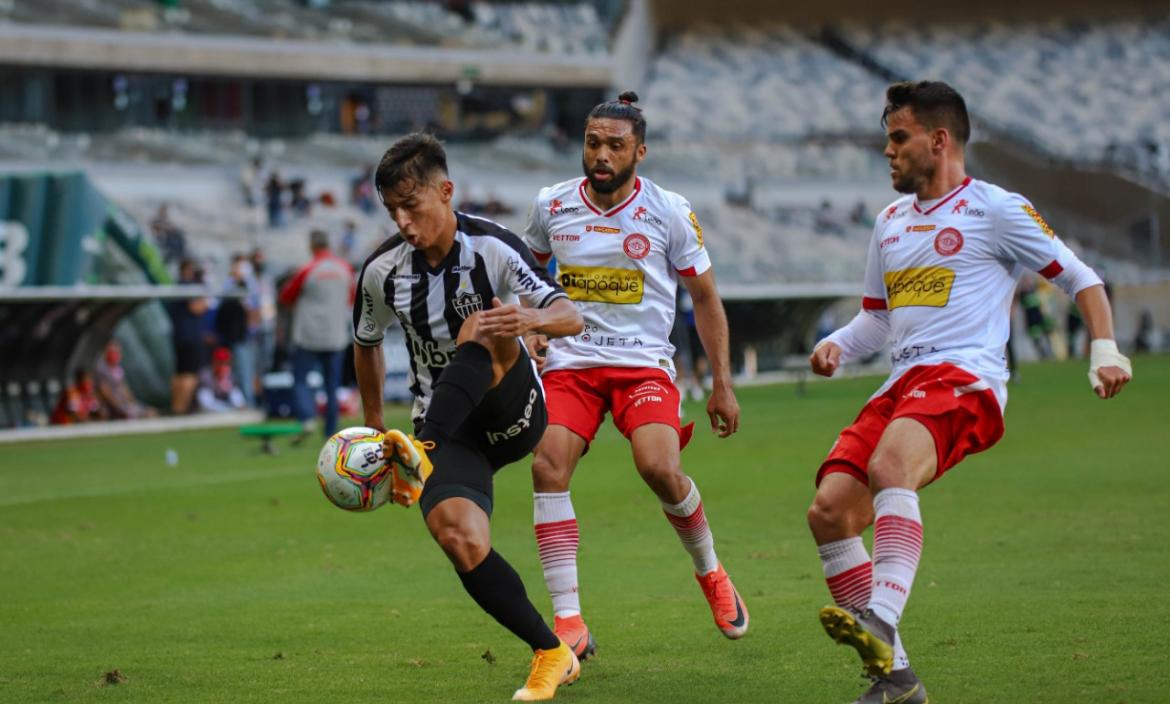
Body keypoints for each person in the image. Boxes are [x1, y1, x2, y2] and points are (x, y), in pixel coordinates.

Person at [806, 81, 1133, 704]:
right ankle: (896, 679)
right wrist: (838, 347)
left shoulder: (996, 209)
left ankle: (879, 619)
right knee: (829, 512)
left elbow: (1081, 278)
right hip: (902, 383)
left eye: (898, 139)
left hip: (965, 379)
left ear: (939, 140)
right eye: (887, 139)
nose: (888, 151)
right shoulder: (889, 222)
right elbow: (876, 318)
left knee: (889, 467)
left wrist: (1105, 349)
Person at [352, 133, 585, 701]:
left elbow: (570, 315)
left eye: (414, 206)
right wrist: (377, 426)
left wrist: (526, 323)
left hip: (513, 410)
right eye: (392, 211)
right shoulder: (382, 271)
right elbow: (366, 341)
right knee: (459, 537)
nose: (404, 222)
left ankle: (419, 452)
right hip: (448, 423)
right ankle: (551, 654)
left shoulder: (494, 248)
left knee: (480, 325)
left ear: (446, 191)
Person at [520, 92, 746, 661]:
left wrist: (722, 383)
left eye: (614, 145)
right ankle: (568, 619)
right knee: (547, 465)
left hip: (642, 364)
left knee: (660, 468)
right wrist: (534, 326)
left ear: (638, 151)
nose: (600, 154)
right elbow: (526, 271)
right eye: (593, 142)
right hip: (572, 365)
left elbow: (706, 297)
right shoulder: (551, 205)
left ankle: (711, 571)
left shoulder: (669, 210)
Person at [279, 230, 354, 439]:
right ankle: (331, 430)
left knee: (300, 379)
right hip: (336, 335)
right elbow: (352, 297)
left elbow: (285, 296)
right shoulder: (344, 268)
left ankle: (306, 419)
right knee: (331, 385)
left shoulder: (307, 270)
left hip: (308, 335)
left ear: (312, 246)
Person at [168, 258, 209, 414]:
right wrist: (204, 298)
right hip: (190, 337)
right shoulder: (188, 287)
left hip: (180, 337)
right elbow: (197, 308)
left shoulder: (177, 285)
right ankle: (180, 408)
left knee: (180, 372)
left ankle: (176, 407)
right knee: (189, 373)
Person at [95, 340, 156, 420]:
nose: (115, 354)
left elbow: (123, 387)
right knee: (138, 415)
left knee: (151, 412)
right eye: (112, 352)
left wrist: (132, 402)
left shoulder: (118, 368)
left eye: (117, 352)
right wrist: (119, 407)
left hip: (123, 404)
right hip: (113, 406)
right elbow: (105, 391)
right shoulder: (101, 368)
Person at [196, 347, 248, 412]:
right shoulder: (206, 373)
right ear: (214, 361)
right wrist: (218, 380)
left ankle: (238, 409)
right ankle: (227, 411)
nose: (223, 364)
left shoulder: (231, 374)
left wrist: (225, 381)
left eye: (225, 362)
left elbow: (233, 393)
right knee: (203, 393)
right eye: (220, 362)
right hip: (213, 404)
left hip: (226, 402)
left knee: (235, 392)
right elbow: (205, 396)